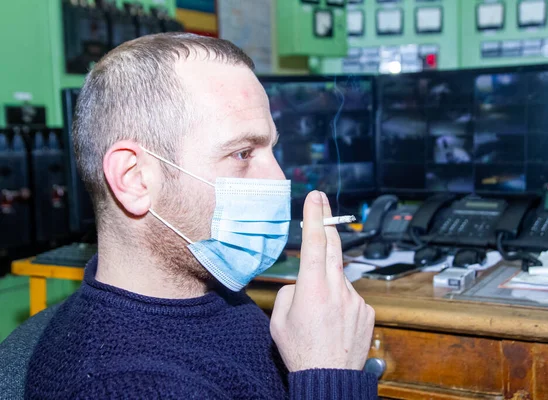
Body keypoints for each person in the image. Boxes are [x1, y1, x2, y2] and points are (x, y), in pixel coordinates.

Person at [25, 33, 377, 399]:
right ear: (134, 179)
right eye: (242, 153)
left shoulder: (207, 293)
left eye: (270, 148)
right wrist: (329, 372)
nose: (279, 179)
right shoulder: (123, 387)